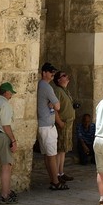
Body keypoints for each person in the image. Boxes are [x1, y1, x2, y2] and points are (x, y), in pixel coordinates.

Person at [36, 62, 65, 190]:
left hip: (42, 125)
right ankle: (55, 181)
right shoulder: (47, 87)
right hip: (48, 125)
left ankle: (53, 180)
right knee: (52, 155)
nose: (52, 74)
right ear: (44, 73)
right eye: (50, 71)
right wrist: (53, 104)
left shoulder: (40, 85)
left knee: (47, 156)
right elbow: (58, 105)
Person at [53, 70, 75, 184]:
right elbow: (54, 107)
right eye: (64, 76)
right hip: (62, 123)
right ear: (58, 80)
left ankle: (61, 172)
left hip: (68, 123)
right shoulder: (57, 91)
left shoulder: (65, 91)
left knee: (63, 149)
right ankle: (56, 173)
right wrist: (59, 121)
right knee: (59, 148)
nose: (67, 77)